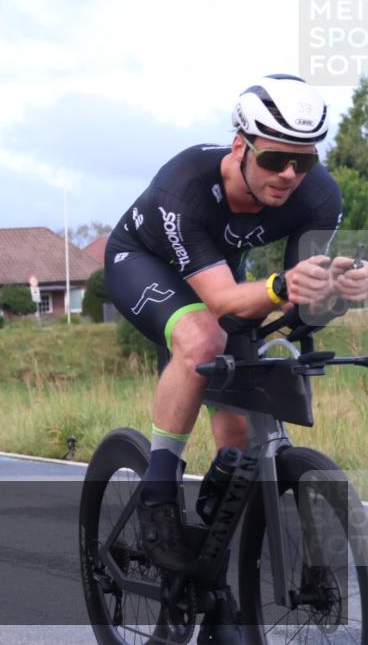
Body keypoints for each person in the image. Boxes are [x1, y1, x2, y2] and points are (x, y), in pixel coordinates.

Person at [104, 74, 368, 643]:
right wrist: (283, 287)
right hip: (144, 263)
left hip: (222, 269)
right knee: (204, 338)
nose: (289, 175)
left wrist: (337, 292)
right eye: (274, 159)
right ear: (239, 146)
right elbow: (224, 302)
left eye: (303, 161)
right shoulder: (185, 186)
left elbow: (301, 304)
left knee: (240, 438)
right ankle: (156, 492)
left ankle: (209, 578)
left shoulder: (319, 196)